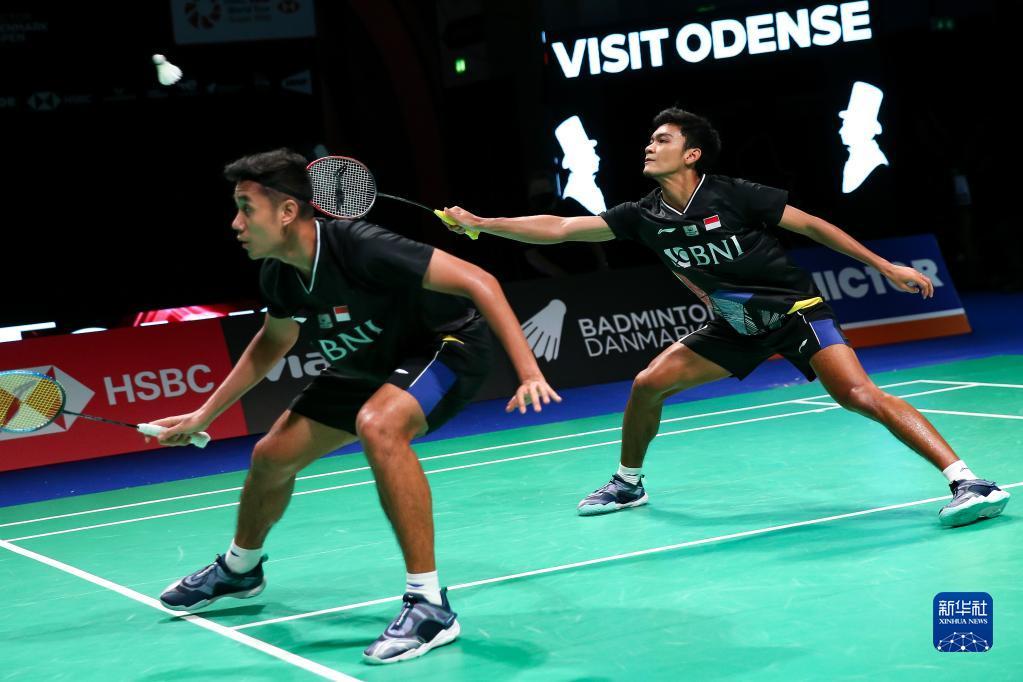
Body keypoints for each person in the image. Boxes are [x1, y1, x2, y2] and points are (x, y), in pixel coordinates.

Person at [444, 108, 1009, 528]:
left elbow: (812, 225)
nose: (649, 146)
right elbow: (562, 228)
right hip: (735, 324)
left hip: (792, 312)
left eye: (662, 140)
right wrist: (482, 224)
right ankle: (629, 483)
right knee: (647, 384)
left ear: (692, 154)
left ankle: (969, 481)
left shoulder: (733, 194)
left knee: (858, 394)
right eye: (649, 139)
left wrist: (883, 266)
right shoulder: (642, 215)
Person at [149, 148, 560, 665]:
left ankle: (429, 606)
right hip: (368, 361)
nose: (236, 223)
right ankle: (240, 568)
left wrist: (528, 371)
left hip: (444, 346)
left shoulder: (360, 245)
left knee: (379, 426)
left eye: (246, 209)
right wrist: (202, 416)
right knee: (271, 456)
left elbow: (481, 281)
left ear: (287, 211)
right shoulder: (280, 273)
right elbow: (273, 342)